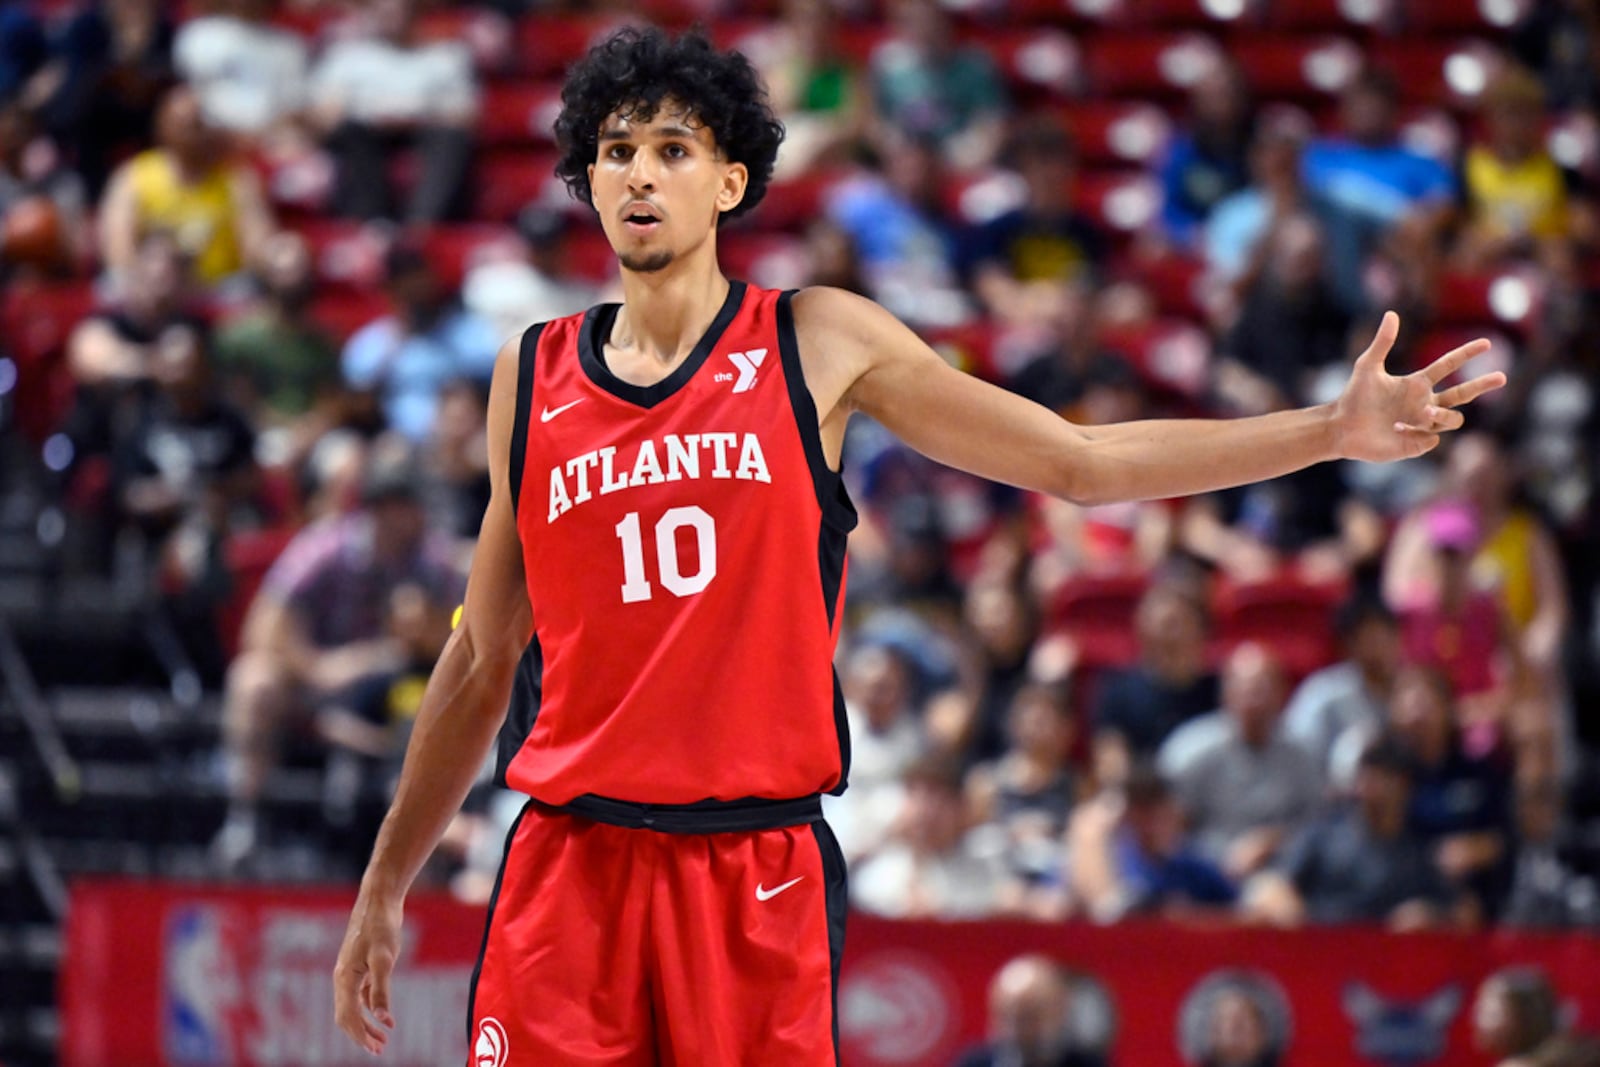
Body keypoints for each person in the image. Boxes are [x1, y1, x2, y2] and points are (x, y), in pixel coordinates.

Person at [332, 26, 1503, 1063]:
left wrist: (1325, 430)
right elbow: (484, 660)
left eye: (674, 149)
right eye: (618, 150)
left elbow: (1076, 462)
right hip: (567, 867)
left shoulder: (818, 341)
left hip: (753, 870)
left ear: (731, 179)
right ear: (588, 179)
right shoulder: (528, 376)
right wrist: (388, 879)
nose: (641, 172)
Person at [955, 954, 1107, 1067]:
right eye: (1007, 1017)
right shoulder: (973, 1064)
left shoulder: (1088, 1065)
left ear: (1059, 1012)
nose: (1018, 1031)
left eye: (1030, 1018)